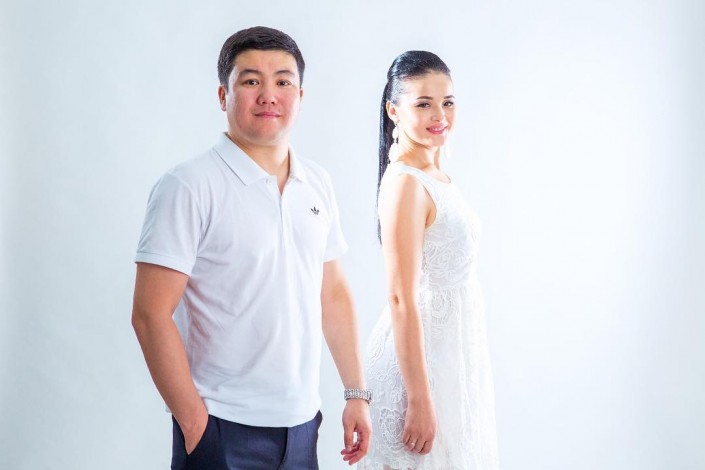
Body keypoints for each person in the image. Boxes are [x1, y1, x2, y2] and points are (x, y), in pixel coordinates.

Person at [131, 26, 372, 469]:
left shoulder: (317, 182)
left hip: (303, 424)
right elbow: (150, 314)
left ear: (301, 95)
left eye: (283, 81)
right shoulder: (188, 185)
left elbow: (333, 293)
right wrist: (194, 424)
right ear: (223, 95)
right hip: (219, 426)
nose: (269, 95)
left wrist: (356, 393)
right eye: (251, 81)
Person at [359, 51, 500, 469]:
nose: (440, 115)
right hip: (418, 371)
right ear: (394, 111)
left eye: (447, 102)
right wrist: (419, 398)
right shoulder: (405, 183)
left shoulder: (435, 175)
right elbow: (400, 298)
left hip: (451, 354)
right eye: (423, 104)